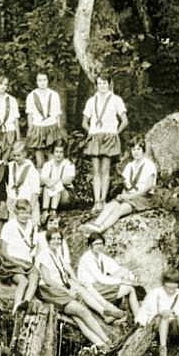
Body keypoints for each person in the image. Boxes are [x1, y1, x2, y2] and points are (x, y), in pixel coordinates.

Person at [35, 217, 115, 347]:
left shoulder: (57, 254)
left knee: (78, 317)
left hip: (59, 288)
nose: (56, 242)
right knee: (82, 311)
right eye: (53, 239)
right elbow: (48, 280)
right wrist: (67, 291)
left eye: (58, 239)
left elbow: (63, 275)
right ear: (48, 240)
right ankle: (106, 340)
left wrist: (71, 286)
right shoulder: (43, 255)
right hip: (48, 290)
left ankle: (101, 344)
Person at [84, 143, 159, 233]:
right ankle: (96, 224)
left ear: (143, 150)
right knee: (111, 205)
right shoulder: (129, 165)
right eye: (133, 149)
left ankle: (101, 229)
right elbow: (126, 185)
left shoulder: (149, 165)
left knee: (121, 208)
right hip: (129, 195)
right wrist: (123, 195)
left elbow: (148, 186)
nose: (136, 152)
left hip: (143, 197)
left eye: (138, 149)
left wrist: (131, 196)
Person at [81, 76, 128, 206]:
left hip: (109, 136)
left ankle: (103, 200)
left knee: (105, 170)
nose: (102, 86)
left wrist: (115, 133)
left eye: (104, 83)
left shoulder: (116, 100)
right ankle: (96, 201)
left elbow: (125, 121)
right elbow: (84, 122)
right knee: (96, 171)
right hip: (95, 136)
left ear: (109, 84)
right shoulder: (91, 101)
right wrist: (91, 132)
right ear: (96, 85)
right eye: (99, 83)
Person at [76, 233, 142, 319]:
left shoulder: (101, 256)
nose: (99, 246)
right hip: (92, 290)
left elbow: (117, 268)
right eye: (96, 244)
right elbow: (101, 279)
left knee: (124, 272)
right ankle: (137, 317)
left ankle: (138, 318)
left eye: (101, 243)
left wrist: (131, 278)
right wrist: (123, 281)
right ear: (90, 245)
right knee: (130, 288)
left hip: (100, 286)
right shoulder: (87, 259)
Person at [137, 272, 179, 356]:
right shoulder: (156, 293)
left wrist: (173, 314)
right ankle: (163, 348)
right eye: (168, 288)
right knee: (165, 316)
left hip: (173, 326)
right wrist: (161, 313)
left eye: (174, 288)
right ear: (163, 285)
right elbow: (145, 313)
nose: (171, 291)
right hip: (157, 325)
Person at [0, 201, 43, 313]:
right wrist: (17, 263)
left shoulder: (31, 226)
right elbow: (3, 251)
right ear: (15, 212)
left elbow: (35, 247)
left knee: (34, 277)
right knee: (23, 281)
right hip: (12, 262)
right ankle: (17, 305)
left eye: (28, 213)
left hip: (27, 262)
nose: (25, 216)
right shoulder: (9, 226)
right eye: (22, 213)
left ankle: (26, 302)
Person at [24, 73, 64, 154]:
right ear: (36, 82)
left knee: (51, 154)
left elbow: (57, 115)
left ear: (48, 81)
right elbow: (30, 115)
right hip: (38, 127)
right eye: (40, 80)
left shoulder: (54, 95)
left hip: (52, 127)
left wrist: (59, 129)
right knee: (39, 155)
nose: (42, 82)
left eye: (44, 80)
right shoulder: (31, 96)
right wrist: (30, 130)